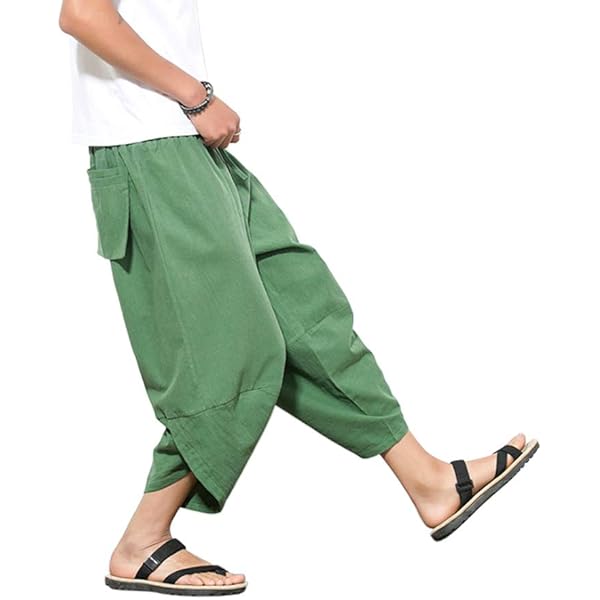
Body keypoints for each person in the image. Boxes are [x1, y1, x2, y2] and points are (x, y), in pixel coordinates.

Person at [59, 0, 539, 596]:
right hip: (149, 146)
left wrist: (195, 109)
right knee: (230, 352)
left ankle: (428, 481)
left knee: (307, 313)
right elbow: (84, 15)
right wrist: (197, 99)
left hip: (188, 145)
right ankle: (142, 540)